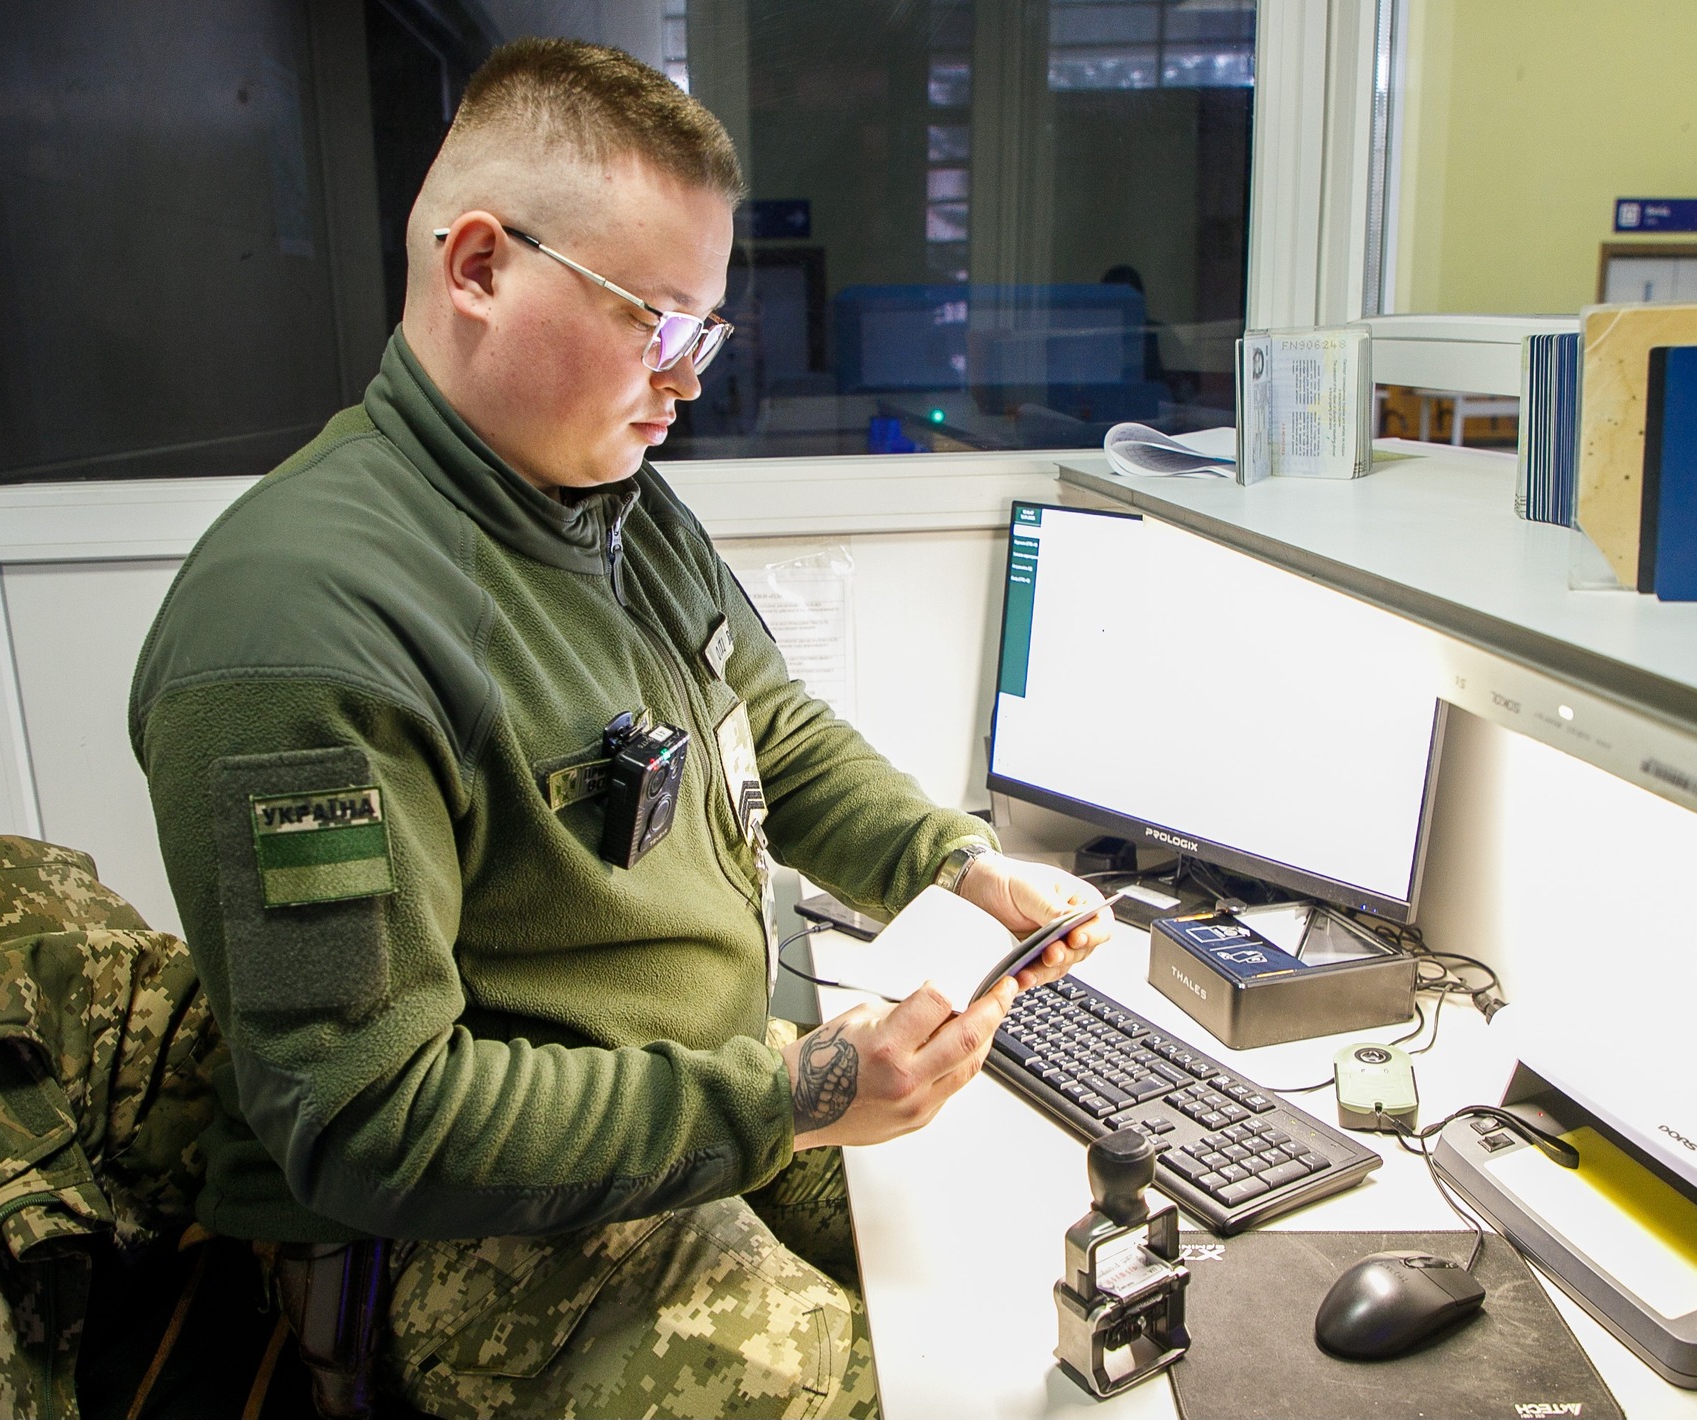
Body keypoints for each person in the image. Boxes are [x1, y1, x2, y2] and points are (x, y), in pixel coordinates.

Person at [130, 38, 1109, 1420]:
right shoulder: (297, 625)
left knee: (1027, 1299)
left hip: (714, 1094)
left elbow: (766, 723)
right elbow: (369, 1126)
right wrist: (796, 1096)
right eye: (653, 319)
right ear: (477, 266)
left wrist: (950, 861)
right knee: (902, 1398)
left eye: (702, 332)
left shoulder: (609, 505)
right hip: (472, 1230)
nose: (688, 377)